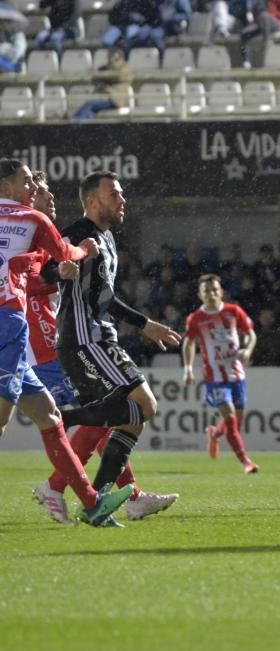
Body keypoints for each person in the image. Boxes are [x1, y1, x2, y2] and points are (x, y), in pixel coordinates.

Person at [28, 171, 178, 523]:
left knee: (134, 416)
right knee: (140, 407)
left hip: (99, 335)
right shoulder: (78, 233)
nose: (122, 200)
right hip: (83, 339)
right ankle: (63, 423)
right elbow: (45, 270)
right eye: (115, 194)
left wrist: (145, 324)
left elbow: (105, 298)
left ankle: (101, 500)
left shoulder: (106, 238)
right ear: (92, 201)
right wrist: (60, 271)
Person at [0, 159, 134, 527]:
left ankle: (92, 503)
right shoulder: (32, 219)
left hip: (16, 333)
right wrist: (83, 251)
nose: (33, 187)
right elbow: (64, 252)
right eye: (27, 181)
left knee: (51, 417)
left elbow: (29, 267)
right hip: (9, 325)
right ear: (7, 186)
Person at [182, 273, 259, 473]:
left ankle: (215, 434)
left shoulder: (233, 311)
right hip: (214, 379)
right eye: (206, 290)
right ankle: (245, 462)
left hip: (237, 376)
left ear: (221, 291)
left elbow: (250, 333)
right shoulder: (196, 319)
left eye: (215, 289)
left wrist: (248, 349)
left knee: (235, 421)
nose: (211, 293)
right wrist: (188, 368)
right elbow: (189, 342)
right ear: (200, 295)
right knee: (231, 418)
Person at [72, 48, 133, 121]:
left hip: (116, 99)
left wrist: (110, 68)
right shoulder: (104, 68)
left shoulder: (125, 67)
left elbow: (118, 77)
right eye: (110, 57)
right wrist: (101, 85)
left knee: (90, 104)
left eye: (114, 58)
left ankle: (76, 122)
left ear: (120, 58)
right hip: (102, 97)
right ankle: (79, 122)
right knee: (90, 110)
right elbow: (93, 79)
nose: (111, 60)